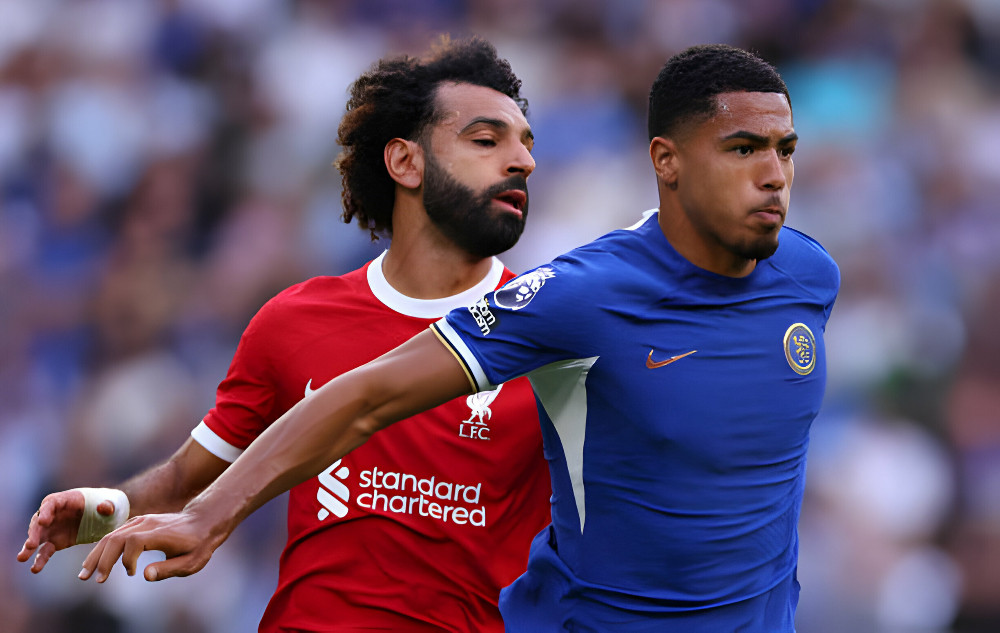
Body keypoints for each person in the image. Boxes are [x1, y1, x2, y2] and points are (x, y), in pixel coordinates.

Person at [77, 43, 840, 631]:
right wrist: (155, 514)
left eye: (786, 150)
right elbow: (347, 406)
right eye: (745, 149)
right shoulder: (570, 302)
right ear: (666, 161)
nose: (775, 173)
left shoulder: (810, 277)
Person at [18, 36, 552, 632]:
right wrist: (104, 510)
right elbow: (188, 480)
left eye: (526, 144)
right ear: (405, 162)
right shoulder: (294, 320)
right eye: (486, 140)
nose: (523, 161)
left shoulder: (551, 335)